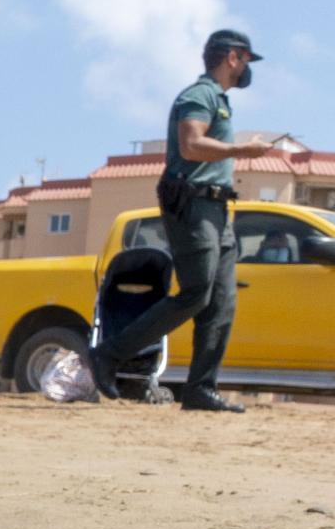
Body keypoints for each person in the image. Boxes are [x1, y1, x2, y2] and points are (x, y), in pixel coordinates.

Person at [91, 29, 278, 412]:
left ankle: (200, 389)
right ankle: (108, 355)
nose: (247, 69)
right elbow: (191, 145)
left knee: (222, 302)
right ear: (232, 57)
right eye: (245, 60)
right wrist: (244, 148)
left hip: (217, 209)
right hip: (193, 207)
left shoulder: (218, 99)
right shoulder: (199, 95)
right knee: (195, 294)